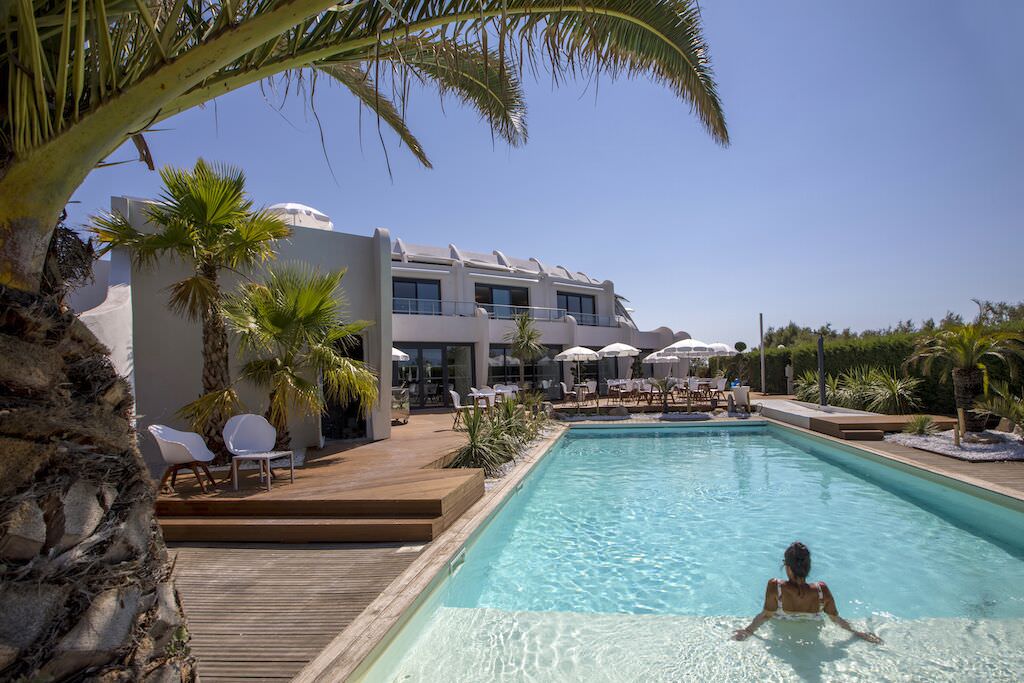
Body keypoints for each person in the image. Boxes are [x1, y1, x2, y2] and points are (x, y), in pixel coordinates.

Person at [733, 542, 882, 644]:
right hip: (812, 636)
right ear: (808, 566)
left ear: (788, 567)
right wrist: (857, 633)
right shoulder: (821, 590)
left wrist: (747, 631)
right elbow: (835, 619)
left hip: (782, 638)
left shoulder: (775, 586)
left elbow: (765, 615)